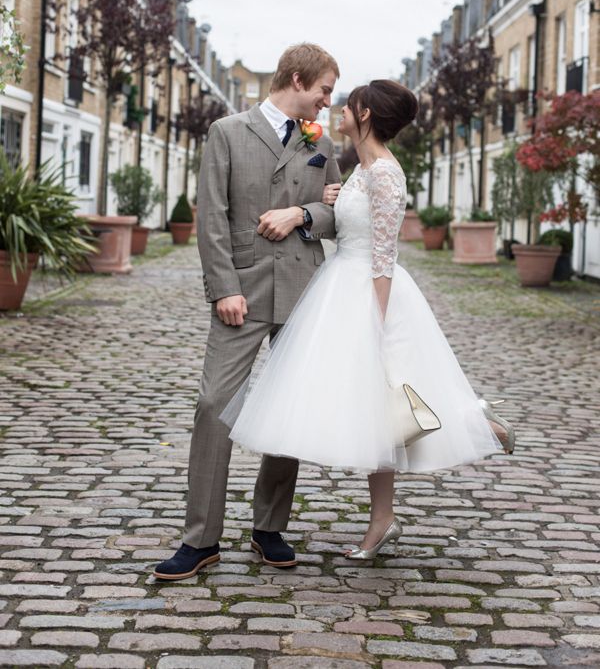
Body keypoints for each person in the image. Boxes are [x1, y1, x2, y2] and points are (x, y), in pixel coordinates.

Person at [225, 79, 514, 560]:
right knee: (375, 416)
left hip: (369, 292)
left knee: (391, 396)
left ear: (366, 114)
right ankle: (383, 522)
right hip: (341, 281)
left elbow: (384, 255)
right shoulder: (360, 170)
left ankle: (478, 424)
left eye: (349, 103)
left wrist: (375, 324)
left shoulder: (384, 173)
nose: (338, 108)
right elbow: (346, 224)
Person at [154, 42, 341, 579]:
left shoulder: (322, 141)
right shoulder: (228, 132)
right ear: (299, 79)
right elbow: (212, 216)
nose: (329, 101)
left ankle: (269, 528)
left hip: (303, 290)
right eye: (325, 89)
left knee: (289, 409)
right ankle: (201, 539)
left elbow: (337, 213)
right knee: (214, 405)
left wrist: (302, 213)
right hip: (243, 291)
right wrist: (223, 289)